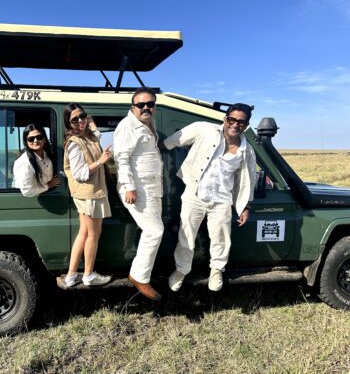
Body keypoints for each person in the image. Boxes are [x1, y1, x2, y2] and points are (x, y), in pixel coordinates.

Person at [164, 103, 257, 292]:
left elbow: (248, 180)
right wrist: (162, 146)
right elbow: (176, 138)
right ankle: (181, 270)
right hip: (194, 194)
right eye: (232, 119)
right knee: (186, 236)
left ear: (246, 125)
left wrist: (246, 205)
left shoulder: (247, 151)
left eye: (241, 122)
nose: (235, 124)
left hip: (222, 200)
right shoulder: (204, 129)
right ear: (225, 119)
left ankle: (216, 271)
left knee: (221, 238)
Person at [113, 87, 164, 300]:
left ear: (154, 106)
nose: (146, 108)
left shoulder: (147, 124)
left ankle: (142, 273)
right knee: (154, 231)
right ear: (132, 107)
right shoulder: (128, 127)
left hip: (151, 187)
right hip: (138, 188)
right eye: (141, 105)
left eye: (150, 104)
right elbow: (121, 157)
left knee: (152, 230)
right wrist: (129, 186)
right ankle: (139, 275)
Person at [63, 103, 112, 287]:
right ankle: (89, 275)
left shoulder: (87, 136)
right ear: (68, 123)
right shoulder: (75, 144)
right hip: (90, 194)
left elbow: (95, 138)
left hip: (87, 194)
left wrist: (92, 125)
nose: (80, 121)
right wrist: (100, 162)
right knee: (93, 234)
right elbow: (80, 174)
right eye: (74, 119)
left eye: (82, 116)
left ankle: (70, 276)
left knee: (83, 233)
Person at [13, 124, 60, 197]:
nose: (35, 140)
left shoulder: (47, 154)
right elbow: (27, 191)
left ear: (44, 139)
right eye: (31, 139)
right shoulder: (24, 162)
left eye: (39, 137)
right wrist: (48, 185)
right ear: (26, 142)